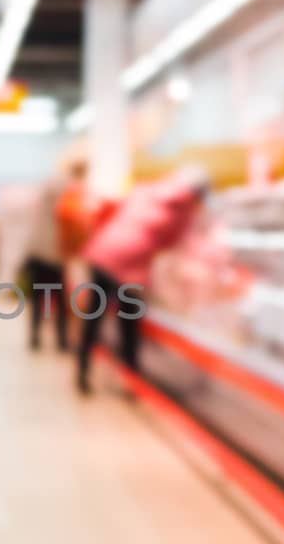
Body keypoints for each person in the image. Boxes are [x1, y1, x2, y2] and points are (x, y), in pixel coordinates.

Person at [75, 167, 209, 395]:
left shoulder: (145, 190)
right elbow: (171, 246)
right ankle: (129, 379)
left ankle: (83, 368)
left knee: (93, 316)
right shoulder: (184, 212)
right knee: (128, 323)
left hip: (103, 251)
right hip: (131, 266)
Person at [19, 159, 86, 352]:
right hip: (52, 253)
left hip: (37, 251)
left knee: (38, 297)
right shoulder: (67, 190)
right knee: (59, 299)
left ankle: (35, 337)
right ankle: (61, 340)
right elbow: (72, 219)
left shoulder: (48, 187)